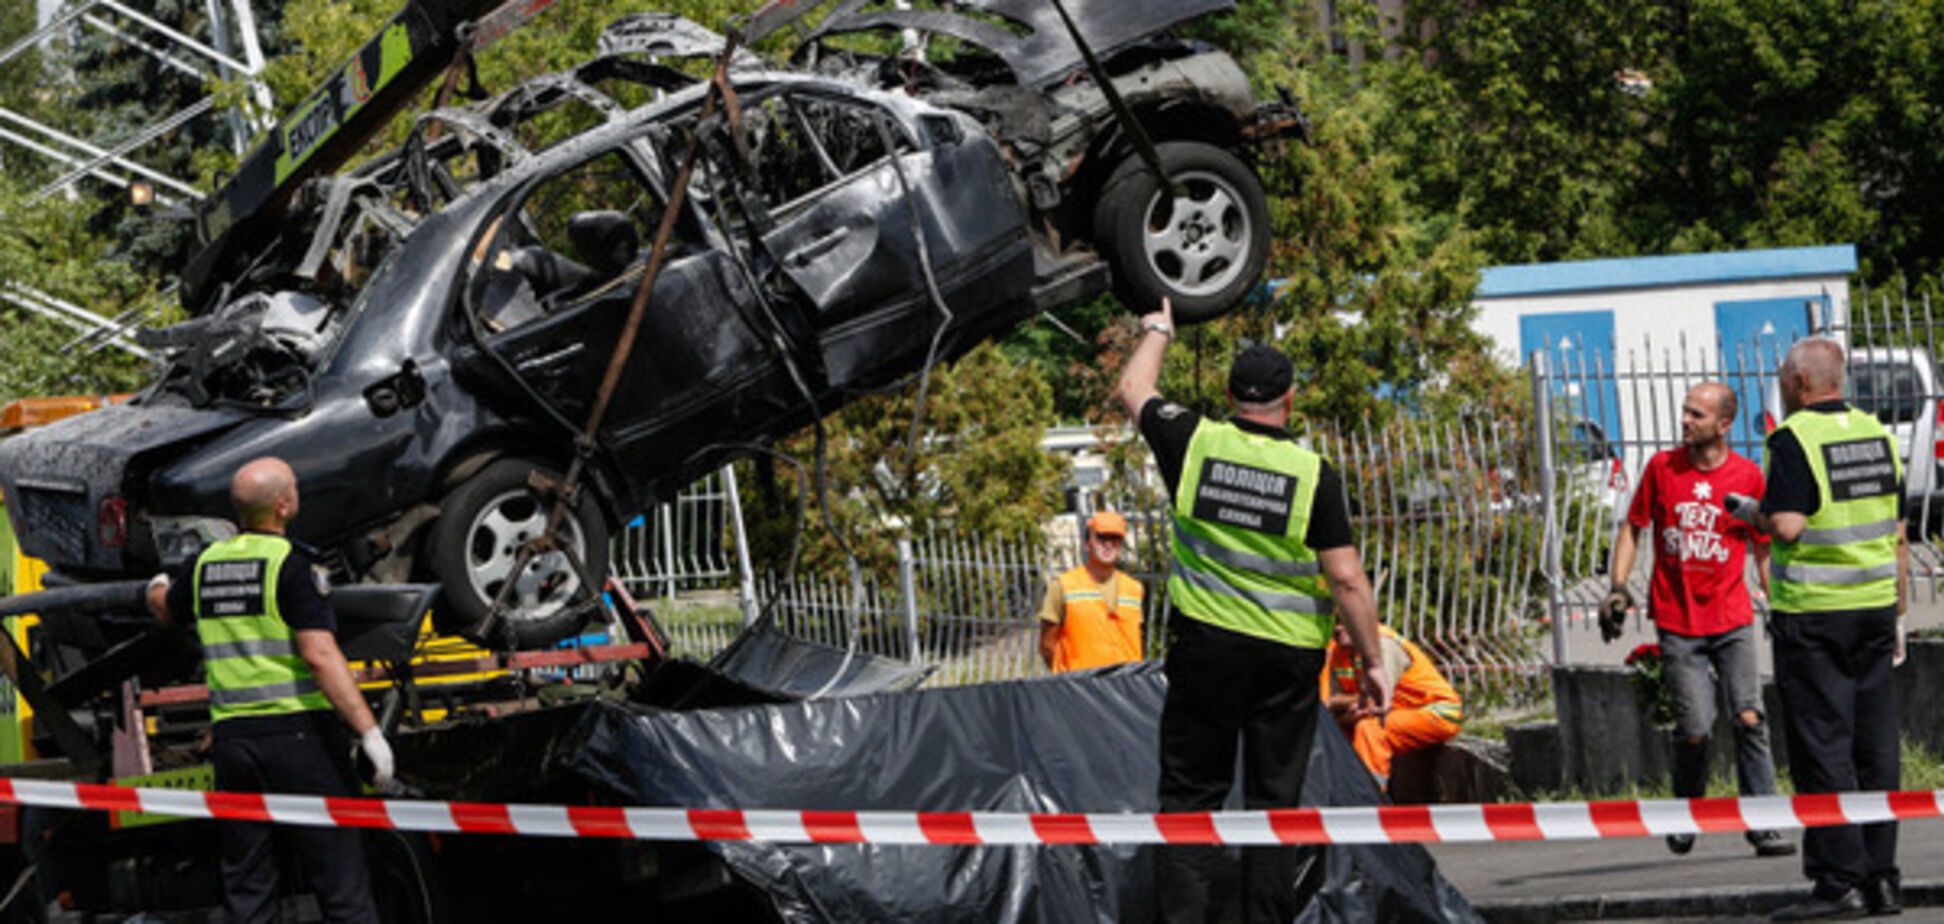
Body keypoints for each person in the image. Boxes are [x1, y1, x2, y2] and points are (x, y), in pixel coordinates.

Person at [1116, 298, 1389, 924]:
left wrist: (1160, 327)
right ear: (1289, 401)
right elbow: (1345, 577)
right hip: (1286, 662)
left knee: (1190, 797)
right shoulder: (1312, 472)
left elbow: (1133, 387)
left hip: (1205, 649)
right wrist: (1373, 661)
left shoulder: (1194, 441)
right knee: (1275, 802)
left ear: (1231, 394)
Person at [146, 457, 389, 924]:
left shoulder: (206, 564)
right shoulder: (294, 565)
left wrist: (157, 584)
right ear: (283, 505)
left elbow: (164, 606)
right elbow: (319, 654)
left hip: (235, 743)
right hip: (301, 738)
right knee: (341, 881)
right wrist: (369, 731)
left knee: (249, 884)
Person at [1722, 338, 1907, 921]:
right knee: (1876, 748)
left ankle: (1838, 882)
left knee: (1823, 749)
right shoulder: (1878, 434)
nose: (1778, 387)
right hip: (1876, 608)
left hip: (1815, 616)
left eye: (1781, 378)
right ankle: (1882, 879)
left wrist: (1748, 511)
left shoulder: (1794, 438)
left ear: (1802, 382)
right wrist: (1899, 613)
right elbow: (1899, 532)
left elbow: (1790, 525)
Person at [1601, 382, 1795, 859]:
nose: (1686, 421)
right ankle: (1685, 813)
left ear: (1723, 425)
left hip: (1731, 617)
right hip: (1678, 619)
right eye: (1685, 412)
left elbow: (1763, 547)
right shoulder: (1663, 469)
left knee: (1749, 717)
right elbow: (1633, 527)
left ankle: (1764, 822)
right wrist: (1618, 586)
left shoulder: (1748, 477)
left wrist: (1780, 608)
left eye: (1696, 415)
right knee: (1695, 729)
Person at [1320, 621, 1461, 788]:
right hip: (1393, 713)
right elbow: (1332, 706)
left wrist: (1340, 704)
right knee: (1334, 731)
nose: (1338, 628)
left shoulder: (1382, 646)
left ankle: (1369, 796)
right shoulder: (1338, 651)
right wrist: (1345, 708)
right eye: (1335, 622)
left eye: (1344, 621)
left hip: (1435, 712)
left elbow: (1374, 703)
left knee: (1370, 730)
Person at [1037, 510, 1145, 672]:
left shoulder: (1134, 589)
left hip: (1125, 687)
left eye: (1115, 538)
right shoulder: (1063, 586)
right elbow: (1047, 645)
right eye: (1101, 537)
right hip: (1080, 688)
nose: (1108, 544)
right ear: (1087, 544)